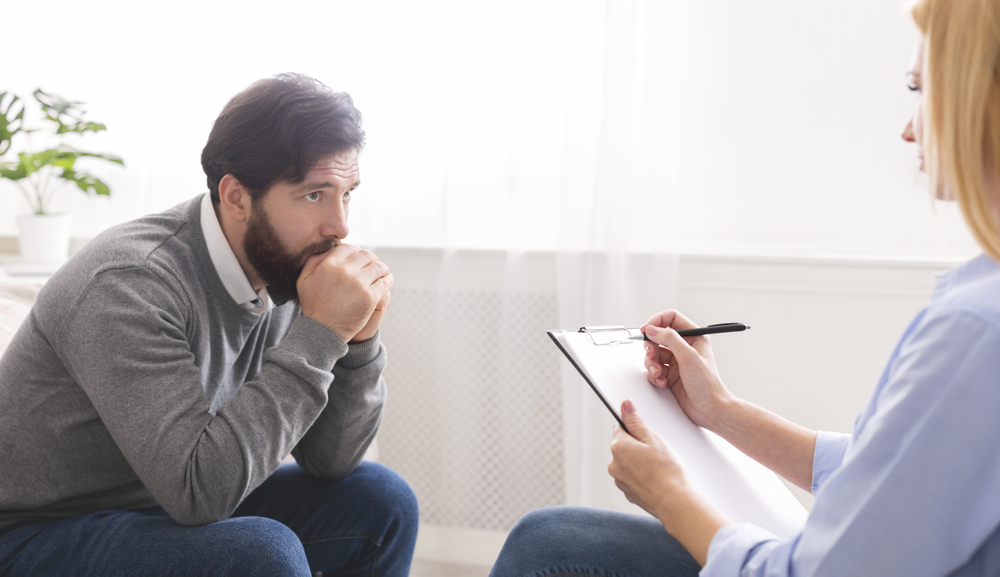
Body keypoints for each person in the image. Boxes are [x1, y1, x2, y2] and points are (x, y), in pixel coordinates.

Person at [491, 0, 1000, 575]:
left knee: (548, 546)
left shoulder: (978, 328)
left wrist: (669, 494)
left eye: (918, 89)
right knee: (553, 537)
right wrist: (721, 411)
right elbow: (881, 472)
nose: (909, 128)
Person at [0, 73, 418, 576]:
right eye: (314, 195)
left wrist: (359, 342)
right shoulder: (129, 283)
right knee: (259, 552)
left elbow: (331, 462)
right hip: (34, 532)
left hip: (156, 505)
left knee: (382, 502)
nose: (340, 226)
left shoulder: (288, 264)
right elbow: (199, 495)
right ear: (237, 196)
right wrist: (321, 333)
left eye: (346, 193)